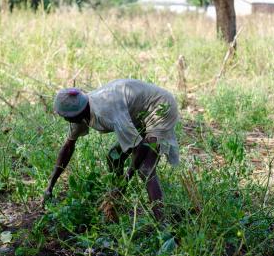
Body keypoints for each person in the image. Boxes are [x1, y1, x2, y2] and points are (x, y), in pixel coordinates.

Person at [43, 79, 180, 220]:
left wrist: (125, 180)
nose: (64, 119)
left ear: (73, 115)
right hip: (138, 115)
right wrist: (50, 186)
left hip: (160, 108)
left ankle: (162, 226)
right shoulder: (81, 111)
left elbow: (139, 148)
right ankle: (117, 202)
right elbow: (67, 148)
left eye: (64, 117)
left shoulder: (106, 111)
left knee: (146, 170)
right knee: (113, 157)